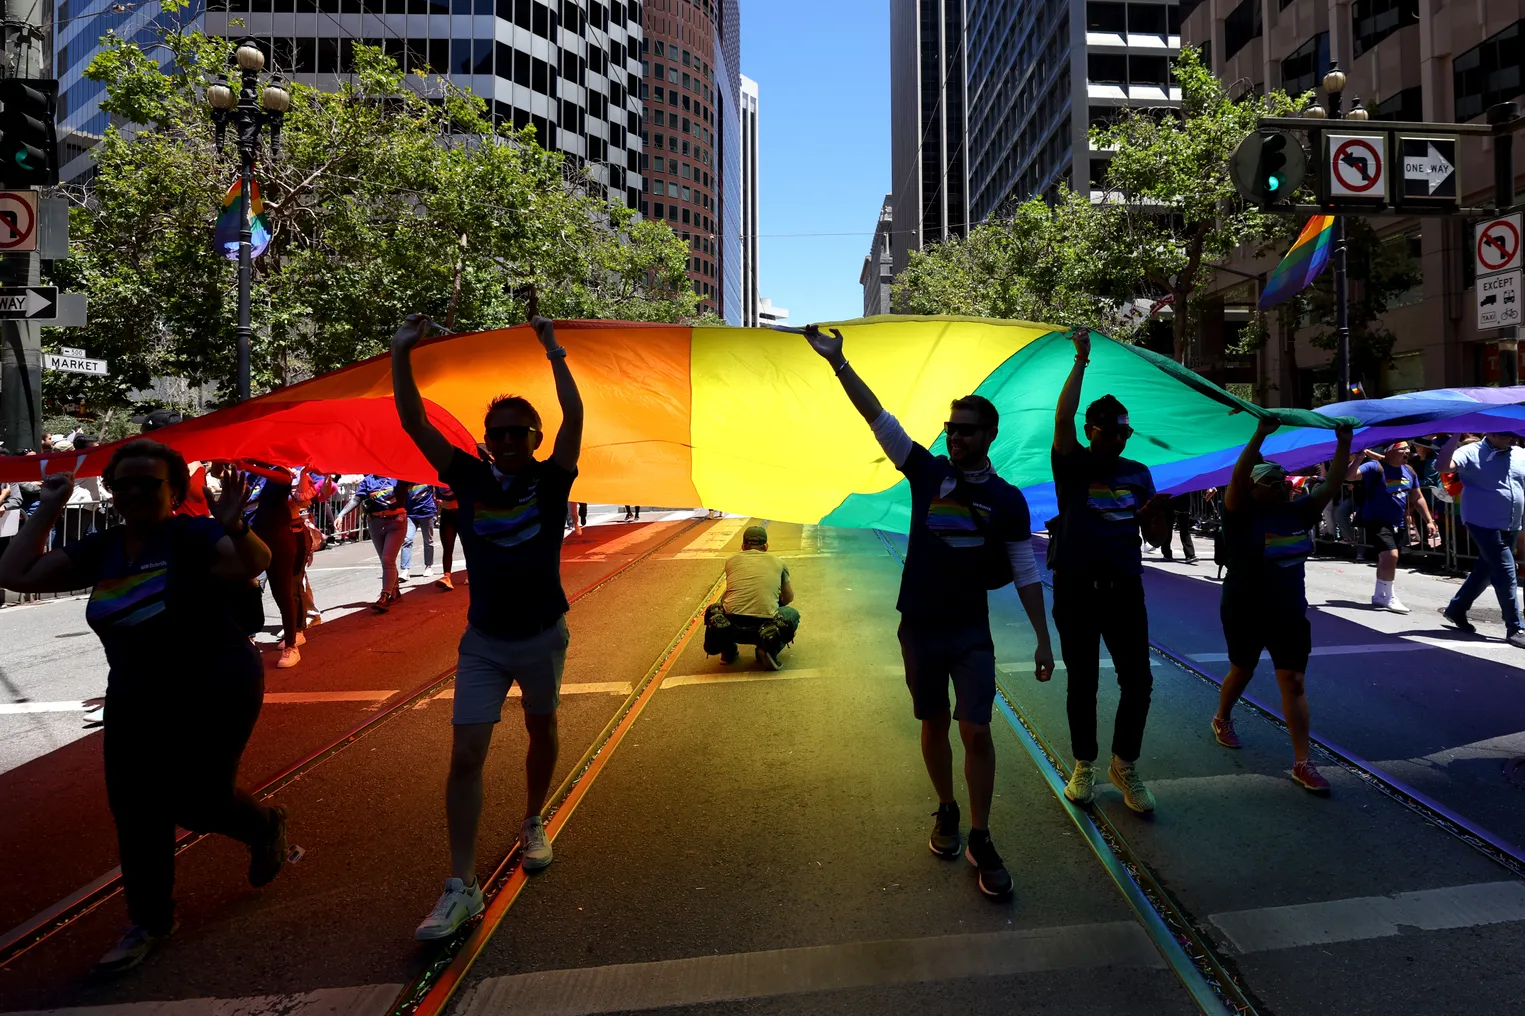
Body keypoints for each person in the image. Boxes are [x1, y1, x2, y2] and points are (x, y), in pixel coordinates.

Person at [0, 441, 289, 976]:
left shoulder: (194, 534)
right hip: (136, 696)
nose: (133, 492)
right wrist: (49, 504)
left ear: (174, 490)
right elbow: (15, 574)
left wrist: (235, 524)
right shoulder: (102, 547)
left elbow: (255, 561)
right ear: (110, 489)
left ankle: (263, 825)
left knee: (199, 800)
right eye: (123, 483)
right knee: (136, 810)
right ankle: (150, 920)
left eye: (148, 483)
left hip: (215, 686)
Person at [805, 324, 1054, 900]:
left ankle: (982, 835)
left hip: (970, 631)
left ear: (990, 434)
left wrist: (1044, 638)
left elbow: (1025, 571)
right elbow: (879, 419)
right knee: (934, 723)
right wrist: (839, 363)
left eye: (965, 430)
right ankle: (946, 809)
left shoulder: (1008, 500)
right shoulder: (926, 472)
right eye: (950, 428)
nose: (955, 437)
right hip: (918, 623)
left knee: (977, 729)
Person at [391, 313, 582, 940]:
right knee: (466, 753)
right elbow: (415, 422)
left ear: (534, 436)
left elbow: (575, 417)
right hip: (483, 642)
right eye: (496, 433)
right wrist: (401, 355)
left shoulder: (552, 481)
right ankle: (461, 884)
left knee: (541, 727)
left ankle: (533, 820)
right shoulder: (467, 476)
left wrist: (554, 351)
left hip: (543, 635)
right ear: (486, 439)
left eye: (516, 433)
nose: (504, 441)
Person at [1050, 329, 1172, 814]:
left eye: (1126, 431)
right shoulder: (1072, 464)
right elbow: (1061, 417)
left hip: (1124, 589)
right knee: (1083, 681)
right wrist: (1081, 360)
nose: (1122, 437)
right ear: (1092, 430)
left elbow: (1158, 541)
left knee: (1137, 680)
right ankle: (1084, 764)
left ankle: (1124, 764)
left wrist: (1155, 519)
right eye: (1114, 430)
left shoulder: (1139, 473)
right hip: (1076, 590)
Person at [1212, 418, 1354, 794]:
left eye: (1282, 481)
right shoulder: (1239, 513)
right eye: (1270, 482)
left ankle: (1302, 762)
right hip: (1245, 609)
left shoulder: (1297, 513)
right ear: (1252, 487)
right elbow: (1237, 477)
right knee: (1241, 670)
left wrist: (1344, 443)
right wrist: (1260, 434)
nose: (1279, 487)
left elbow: (1333, 483)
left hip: (1288, 612)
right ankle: (1222, 717)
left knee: (1292, 681)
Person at [1437, 432, 1525, 647]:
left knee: (1485, 571)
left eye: (1514, 434)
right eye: (1508, 435)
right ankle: (1515, 627)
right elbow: (1443, 466)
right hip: (1483, 523)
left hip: (1511, 524)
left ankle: (1457, 609)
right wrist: (1455, 434)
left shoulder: (1520, 454)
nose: (1513, 438)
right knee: (1506, 572)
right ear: (1493, 433)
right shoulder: (1470, 451)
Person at [1347, 441, 1436, 613]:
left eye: (1408, 449)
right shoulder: (1374, 466)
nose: (1407, 452)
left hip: (1398, 523)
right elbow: (1350, 476)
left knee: (1386, 559)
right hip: (1375, 520)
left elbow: (1417, 498)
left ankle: (1380, 594)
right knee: (1391, 555)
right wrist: (1358, 459)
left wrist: (1429, 521)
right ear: (1390, 452)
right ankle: (1389, 597)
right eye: (1402, 449)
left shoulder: (1409, 471)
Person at [704, 525, 801, 671]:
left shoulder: (731, 561)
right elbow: (788, 598)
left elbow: (729, 595)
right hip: (764, 628)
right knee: (792, 615)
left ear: (743, 546)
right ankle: (768, 649)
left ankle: (728, 653)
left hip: (732, 627)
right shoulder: (779, 563)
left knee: (718, 611)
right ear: (766, 546)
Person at [242, 462, 307, 668]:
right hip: (251, 539)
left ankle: (291, 646)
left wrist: (246, 465)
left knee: (282, 592)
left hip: (278, 540)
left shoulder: (277, 471)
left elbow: (285, 480)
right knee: (246, 588)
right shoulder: (247, 475)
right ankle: (247, 637)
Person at [334, 474, 408, 611]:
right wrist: (341, 515)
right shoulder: (368, 480)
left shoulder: (398, 475)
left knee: (387, 559)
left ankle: (385, 595)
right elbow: (357, 499)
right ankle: (395, 592)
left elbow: (413, 479)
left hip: (396, 522)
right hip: (375, 523)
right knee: (386, 560)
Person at [401, 482, 439, 580]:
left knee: (428, 541)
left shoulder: (427, 476)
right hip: (410, 514)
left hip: (427, 513)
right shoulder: (406, 477)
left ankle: (428, 566)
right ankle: (405, 570)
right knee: (407, 540)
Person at [435, 482, 463, 590]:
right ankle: (447, 578)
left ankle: (471, 574)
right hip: (446, 514)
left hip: (462, 513)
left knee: (468, 546)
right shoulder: (438, 478)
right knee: (447, 548)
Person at [1158, 491, 1198, 564]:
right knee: (1168, 527)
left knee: (1184, 529)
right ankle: (1167, 554)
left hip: (1181, 497)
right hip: (1169, 498)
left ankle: (1190, 554)